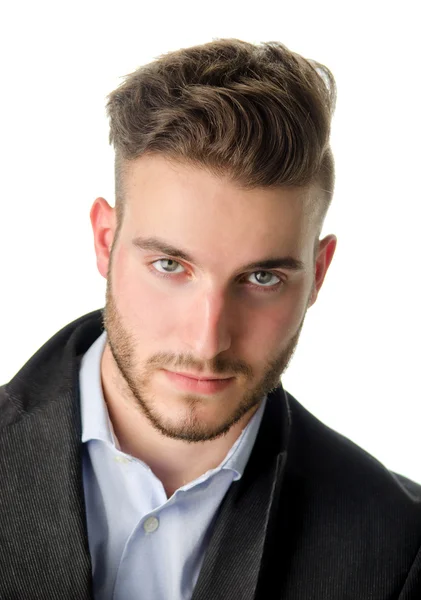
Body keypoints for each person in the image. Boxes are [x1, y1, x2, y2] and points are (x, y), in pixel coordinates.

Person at [0, 38, 420, 600]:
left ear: (319, 274)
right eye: (170, 265)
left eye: (262, 278)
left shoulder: (396, 547)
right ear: (106, 240)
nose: (208, 339)